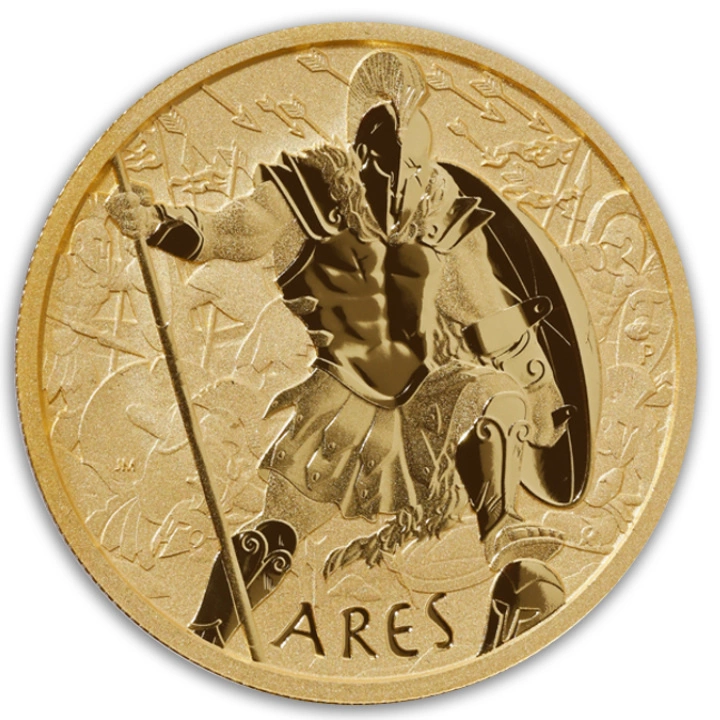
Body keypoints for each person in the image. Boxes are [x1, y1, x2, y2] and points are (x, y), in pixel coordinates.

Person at [108, 51, 583, 652]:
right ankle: (205, 639)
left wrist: (539, 395)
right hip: (341, 403)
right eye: (394, 165)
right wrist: (156, 221)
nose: (405, 183)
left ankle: (502, 529)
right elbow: (230, 233)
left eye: (416, 167)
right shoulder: (303, 192)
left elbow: (489, 315)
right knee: (276, 537)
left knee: (494, 396)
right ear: (365, 151)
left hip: (425, 401)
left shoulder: (437, 216)